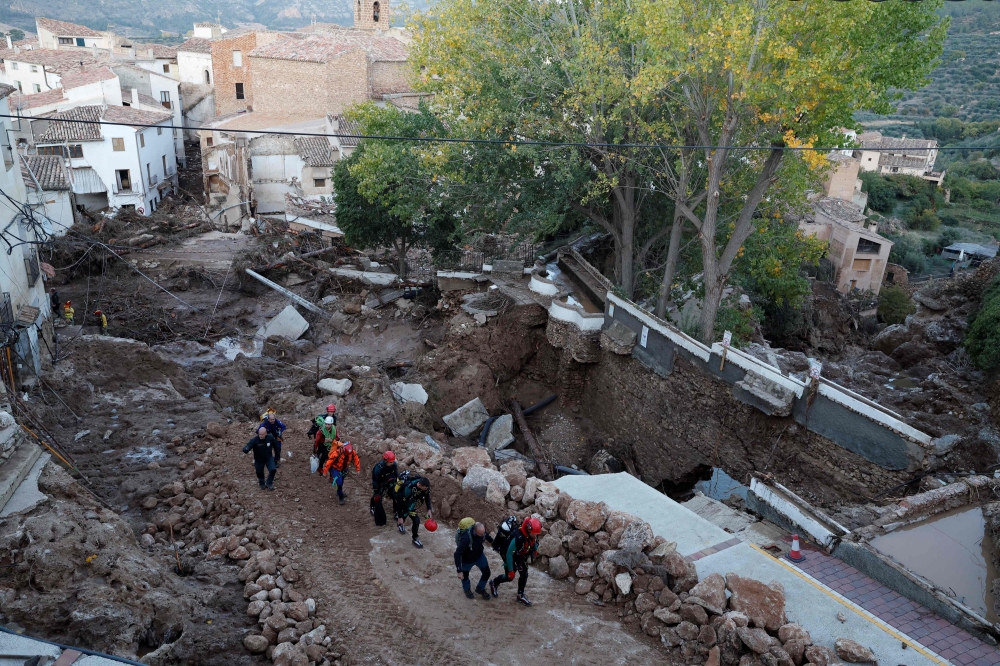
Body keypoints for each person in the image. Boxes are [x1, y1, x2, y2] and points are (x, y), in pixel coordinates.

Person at [490, 516, 541, 606]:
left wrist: (535, 550)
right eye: (535, 533)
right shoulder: (518, 538)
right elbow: (509, 554)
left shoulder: (531, 534)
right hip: (509, 554)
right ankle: (494, 582)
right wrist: (510, 570)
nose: (536, 535)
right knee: (509, 577)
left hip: (520, 555)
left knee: (524, 574)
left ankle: (520, 595)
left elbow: (533, 540)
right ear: (529, 530)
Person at [454, 519, 493, 600]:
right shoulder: (466, 539)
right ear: (474, 531)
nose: (483, 535)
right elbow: (457, 554)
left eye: (483, 533)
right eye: (481, 534)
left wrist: (496, 545)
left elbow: (488, 537)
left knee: (487, 573)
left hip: (479, 556)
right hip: (467, 560)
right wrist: (459, 570)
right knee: (465, 576)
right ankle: (467, 589)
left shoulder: (481, 533)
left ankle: (480, 588)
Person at [394, 475, 432, 548]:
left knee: (415, 519)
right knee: (406, 515)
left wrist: (429, 509)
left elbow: (427, 497)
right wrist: (399, 516)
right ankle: (400, 523)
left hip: (411, 503)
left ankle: (414, 538)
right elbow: (399, 502)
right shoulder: (408, 489)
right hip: (404, 502)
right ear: (420, 485)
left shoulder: (425, 488)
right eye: (425, 488)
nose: (426, 489)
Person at [242, 426, 278, 490]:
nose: (260, 436)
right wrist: (246, 449)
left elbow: (276, 447)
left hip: (268, 458)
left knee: (273, 469)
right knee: (259, 472)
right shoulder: (255, 440)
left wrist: (277, 457)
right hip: (259, 459)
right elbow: (248, 446)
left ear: (266, 433)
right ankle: (262, 483)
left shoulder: (270, 438)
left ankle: (269, 483)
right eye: (259, 434)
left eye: (262, 434)